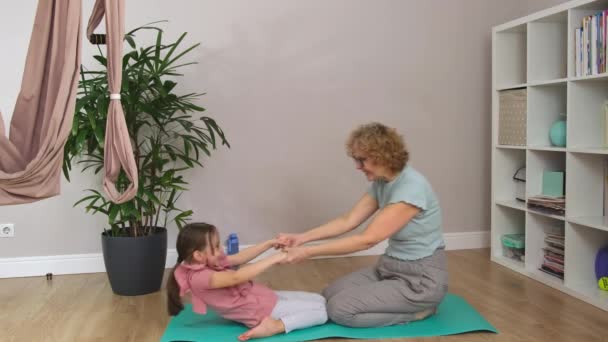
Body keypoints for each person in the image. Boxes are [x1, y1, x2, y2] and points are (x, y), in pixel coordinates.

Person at [278, 122, 448, 328]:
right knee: (329, 295)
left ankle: (418, 313)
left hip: (419, 280)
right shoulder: (382, 182)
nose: (358, 166)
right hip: (389, 268)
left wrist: (306, 252)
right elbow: (348, 221)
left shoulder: (412, 187)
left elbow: (367, 240)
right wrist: (301, 238)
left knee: (339, 310)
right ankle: (397, 300)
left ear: (382, 156)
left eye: (361, 160)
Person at [167, 223, 327, 341]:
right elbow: (237, 277)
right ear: (198, 255)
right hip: (258, 311)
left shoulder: (210, 261)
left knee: (320, 300)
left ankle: (277, 320)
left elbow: (240, 258)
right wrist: (276, 258)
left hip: (262, 298)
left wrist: (269, 244)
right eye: (216, 247)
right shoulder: (199, 278)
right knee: (323, 313)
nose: (221, 250)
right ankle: (275, 326)